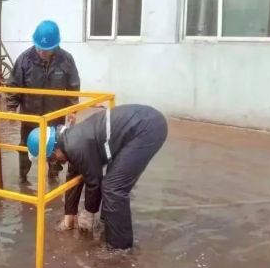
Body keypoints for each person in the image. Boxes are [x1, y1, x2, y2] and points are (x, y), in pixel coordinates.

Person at [26, 105, 167, 249]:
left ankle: (120, 250)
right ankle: (108, 225)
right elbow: (74, 175)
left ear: (53, 149)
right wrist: (69, 215)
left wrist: (89, 213)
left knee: (113, 188)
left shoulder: (75, 146)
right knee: (112, 181)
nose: (55, 162)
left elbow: (94, 181)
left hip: (146, 129)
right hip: (141, 124)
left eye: (51, 159)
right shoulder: (69, 139)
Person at [6, 20, 80, 183]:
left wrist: (72, 110)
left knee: (55, 147)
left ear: (55, 46)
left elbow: (73, 87)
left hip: (55, 116)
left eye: (45, 49)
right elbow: (14, 85)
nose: (41, 52)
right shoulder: (24, 59)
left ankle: (53, 176)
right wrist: (11, 108)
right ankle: (23, 177)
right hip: (30, 116)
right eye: (39, 47)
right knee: (25, 147)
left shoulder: (66, 60)